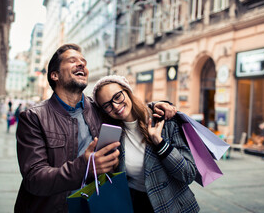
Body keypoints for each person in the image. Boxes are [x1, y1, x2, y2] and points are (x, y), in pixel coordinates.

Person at [14, 44, 176, 212]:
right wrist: (85, 167)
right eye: (72, 60)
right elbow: (34, 179)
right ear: (54, 75)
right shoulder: (34, 117)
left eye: (83, 61)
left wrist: (155, 107)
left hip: (95, 205)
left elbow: (125, 109)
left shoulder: (99, 108)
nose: (82, 64)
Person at [92, 75, 200, 213]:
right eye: (107, 105)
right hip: (137, 204)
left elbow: (189, 174)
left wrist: (161, 144)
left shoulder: (163, 120)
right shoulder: (112, 135)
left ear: (128, 92)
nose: (115, 106)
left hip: (173, 205)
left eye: (117, 96)